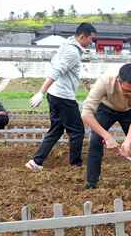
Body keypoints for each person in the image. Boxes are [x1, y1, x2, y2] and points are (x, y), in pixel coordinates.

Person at [25, 23, 97, 172]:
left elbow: (56, 66)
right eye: (91, 39)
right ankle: (75, 165)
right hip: (63, 96)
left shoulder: (67, 45)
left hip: (55, 94)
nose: (92, 42)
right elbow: (56, 71)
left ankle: (36, 161)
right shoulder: (72, 52)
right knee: (77, 131)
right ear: (82, 36)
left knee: (56, 130)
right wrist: (41, 92)